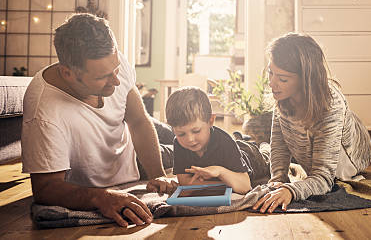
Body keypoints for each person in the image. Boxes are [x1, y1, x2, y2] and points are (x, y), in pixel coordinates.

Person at [21, 13, 174, 228]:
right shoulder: (44, 112)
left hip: (134, 153)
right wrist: (100, 197)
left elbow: (138, 121)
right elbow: (45, 188)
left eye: (116, 69)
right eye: (102, 77)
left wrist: (159, 175)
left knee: (199, 146)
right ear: (68, 73)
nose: (116, 80)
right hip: (102, 178)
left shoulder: (110, 62)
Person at [253, 33, 371, 214]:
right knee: (310, 141)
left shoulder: (331, 105)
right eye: (271, 73)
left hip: (355, 149)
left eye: (282, 79)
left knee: (339, 138)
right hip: (317, 137)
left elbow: (324, 178)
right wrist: (278, 179)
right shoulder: (283, 96)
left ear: (305, 79)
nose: (272, 83)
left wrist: (291, 191)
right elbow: (279, 144)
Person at [147, 86, 271, 195]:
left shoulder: (224, 142)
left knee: (265, 154)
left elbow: (244, 186)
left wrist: (220, 171)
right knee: (237, 142)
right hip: (234, 152)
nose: (189, 139)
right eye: (181, 133)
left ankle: (264, 146)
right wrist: (225, 182)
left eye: (196, 131)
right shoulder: (179, 144)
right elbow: (186, 183)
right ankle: (240, 137)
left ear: (211, 121)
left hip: (252, 156)